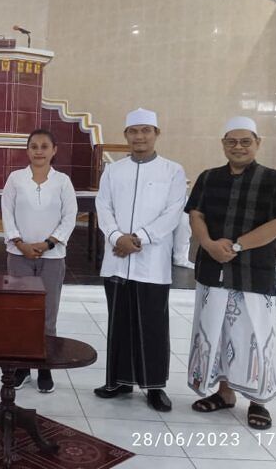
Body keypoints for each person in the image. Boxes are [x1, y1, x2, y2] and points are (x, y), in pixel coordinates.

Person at [186, 116, 276, 430]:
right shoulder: (208, 178)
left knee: (256, 336)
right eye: (231, 141)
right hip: (213, 269)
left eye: (245, 141)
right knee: (216, 332)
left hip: (253, 272)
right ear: (223, 144)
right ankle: (224, 393)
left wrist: (235, 246)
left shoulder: (275, 180)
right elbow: (196, 213)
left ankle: (259, 401)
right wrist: (207, 243)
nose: (238, 147)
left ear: (257, 143)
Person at [93, 108, 186, 412]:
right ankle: (120, 381)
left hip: (152, 262)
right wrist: (117, 236)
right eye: (134, 131)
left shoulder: (172, 170)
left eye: (146, 130)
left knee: (153, 326)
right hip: (117, 259)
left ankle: (155, 386)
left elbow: (173, 212)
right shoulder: (113, 171)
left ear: (156, 134)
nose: (140, 137)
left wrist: (139, 238)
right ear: (126, 136)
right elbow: (103, 207)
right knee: (119, 322)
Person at [1, 129, 78, 393]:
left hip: (53, 256)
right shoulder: (15, 179)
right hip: (19, 255)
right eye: (33, 146)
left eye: (44, 146)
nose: (39, 151)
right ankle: (22, 367)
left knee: (47, 314)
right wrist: (20, 243)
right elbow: (7, 213)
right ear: (27, 150)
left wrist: (48, 244)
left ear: (54, 150)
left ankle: (45, 366)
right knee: (21, 312)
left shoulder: (63, 182)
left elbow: (70, 217)